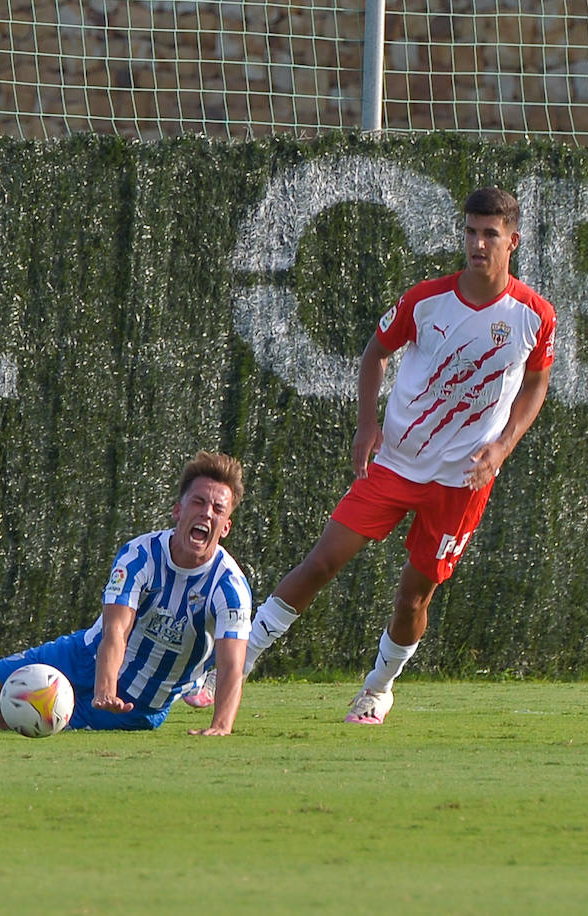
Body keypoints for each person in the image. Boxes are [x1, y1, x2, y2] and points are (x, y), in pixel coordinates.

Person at [240, 187, 555, 725]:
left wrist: (502, 447)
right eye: (471, 232)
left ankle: (378, 688)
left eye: (490, 234)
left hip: (462, 483)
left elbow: (537, 381)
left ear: (513, 242)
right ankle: (237, 662)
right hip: (396, 464)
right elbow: (375, 353)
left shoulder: (534, 315)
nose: (477, 244)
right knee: (322, 561)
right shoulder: (426, 300)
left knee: (413, 600)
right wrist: (367, 426)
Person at [0, 452, 252, 736]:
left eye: (217, 509)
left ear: (225, 527)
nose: (206, 513)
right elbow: (116, 630)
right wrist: (104, 688)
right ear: (178, 509)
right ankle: (52, 697)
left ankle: (50, 706)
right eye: (198, 502)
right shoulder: (140, 556)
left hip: (137, 701)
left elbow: (231, 664)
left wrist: (222, 726)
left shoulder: (229, 587)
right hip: (84, 655)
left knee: (0, 720)